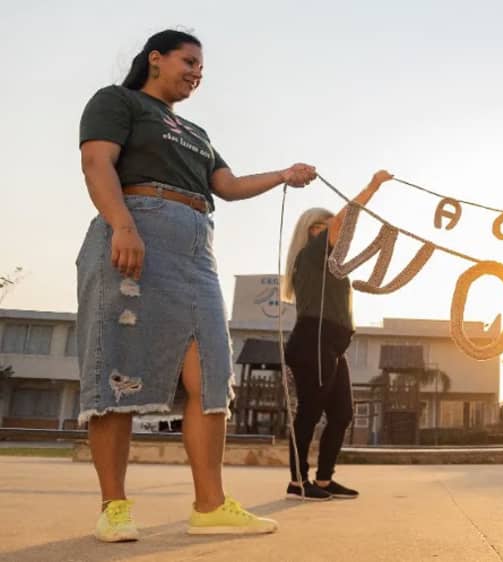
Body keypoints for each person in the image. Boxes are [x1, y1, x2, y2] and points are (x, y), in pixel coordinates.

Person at [77, 29, 317, 542]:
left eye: (201, 69)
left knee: (211, 375)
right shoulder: (117, 101)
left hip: (196, 250)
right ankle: (113, 507)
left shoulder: (197, 133)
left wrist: (284, 174)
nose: (195, 73)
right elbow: (97, 162)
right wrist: (121, 224)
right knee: (117, 370)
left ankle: (210, 505)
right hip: (136, 230)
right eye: (188, 62)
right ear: (156, 59)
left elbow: (226, 187)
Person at [281, 170, 393, 501]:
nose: (335, 233)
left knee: (342, 413)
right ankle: (298, 481)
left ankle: (325, 479)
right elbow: (349, 216)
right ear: (312, 232)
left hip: (332, 345)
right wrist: (372, 186)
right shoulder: (312, 253)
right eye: (326, 227)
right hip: (313, 339)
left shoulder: (332, 265)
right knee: (310, 412)